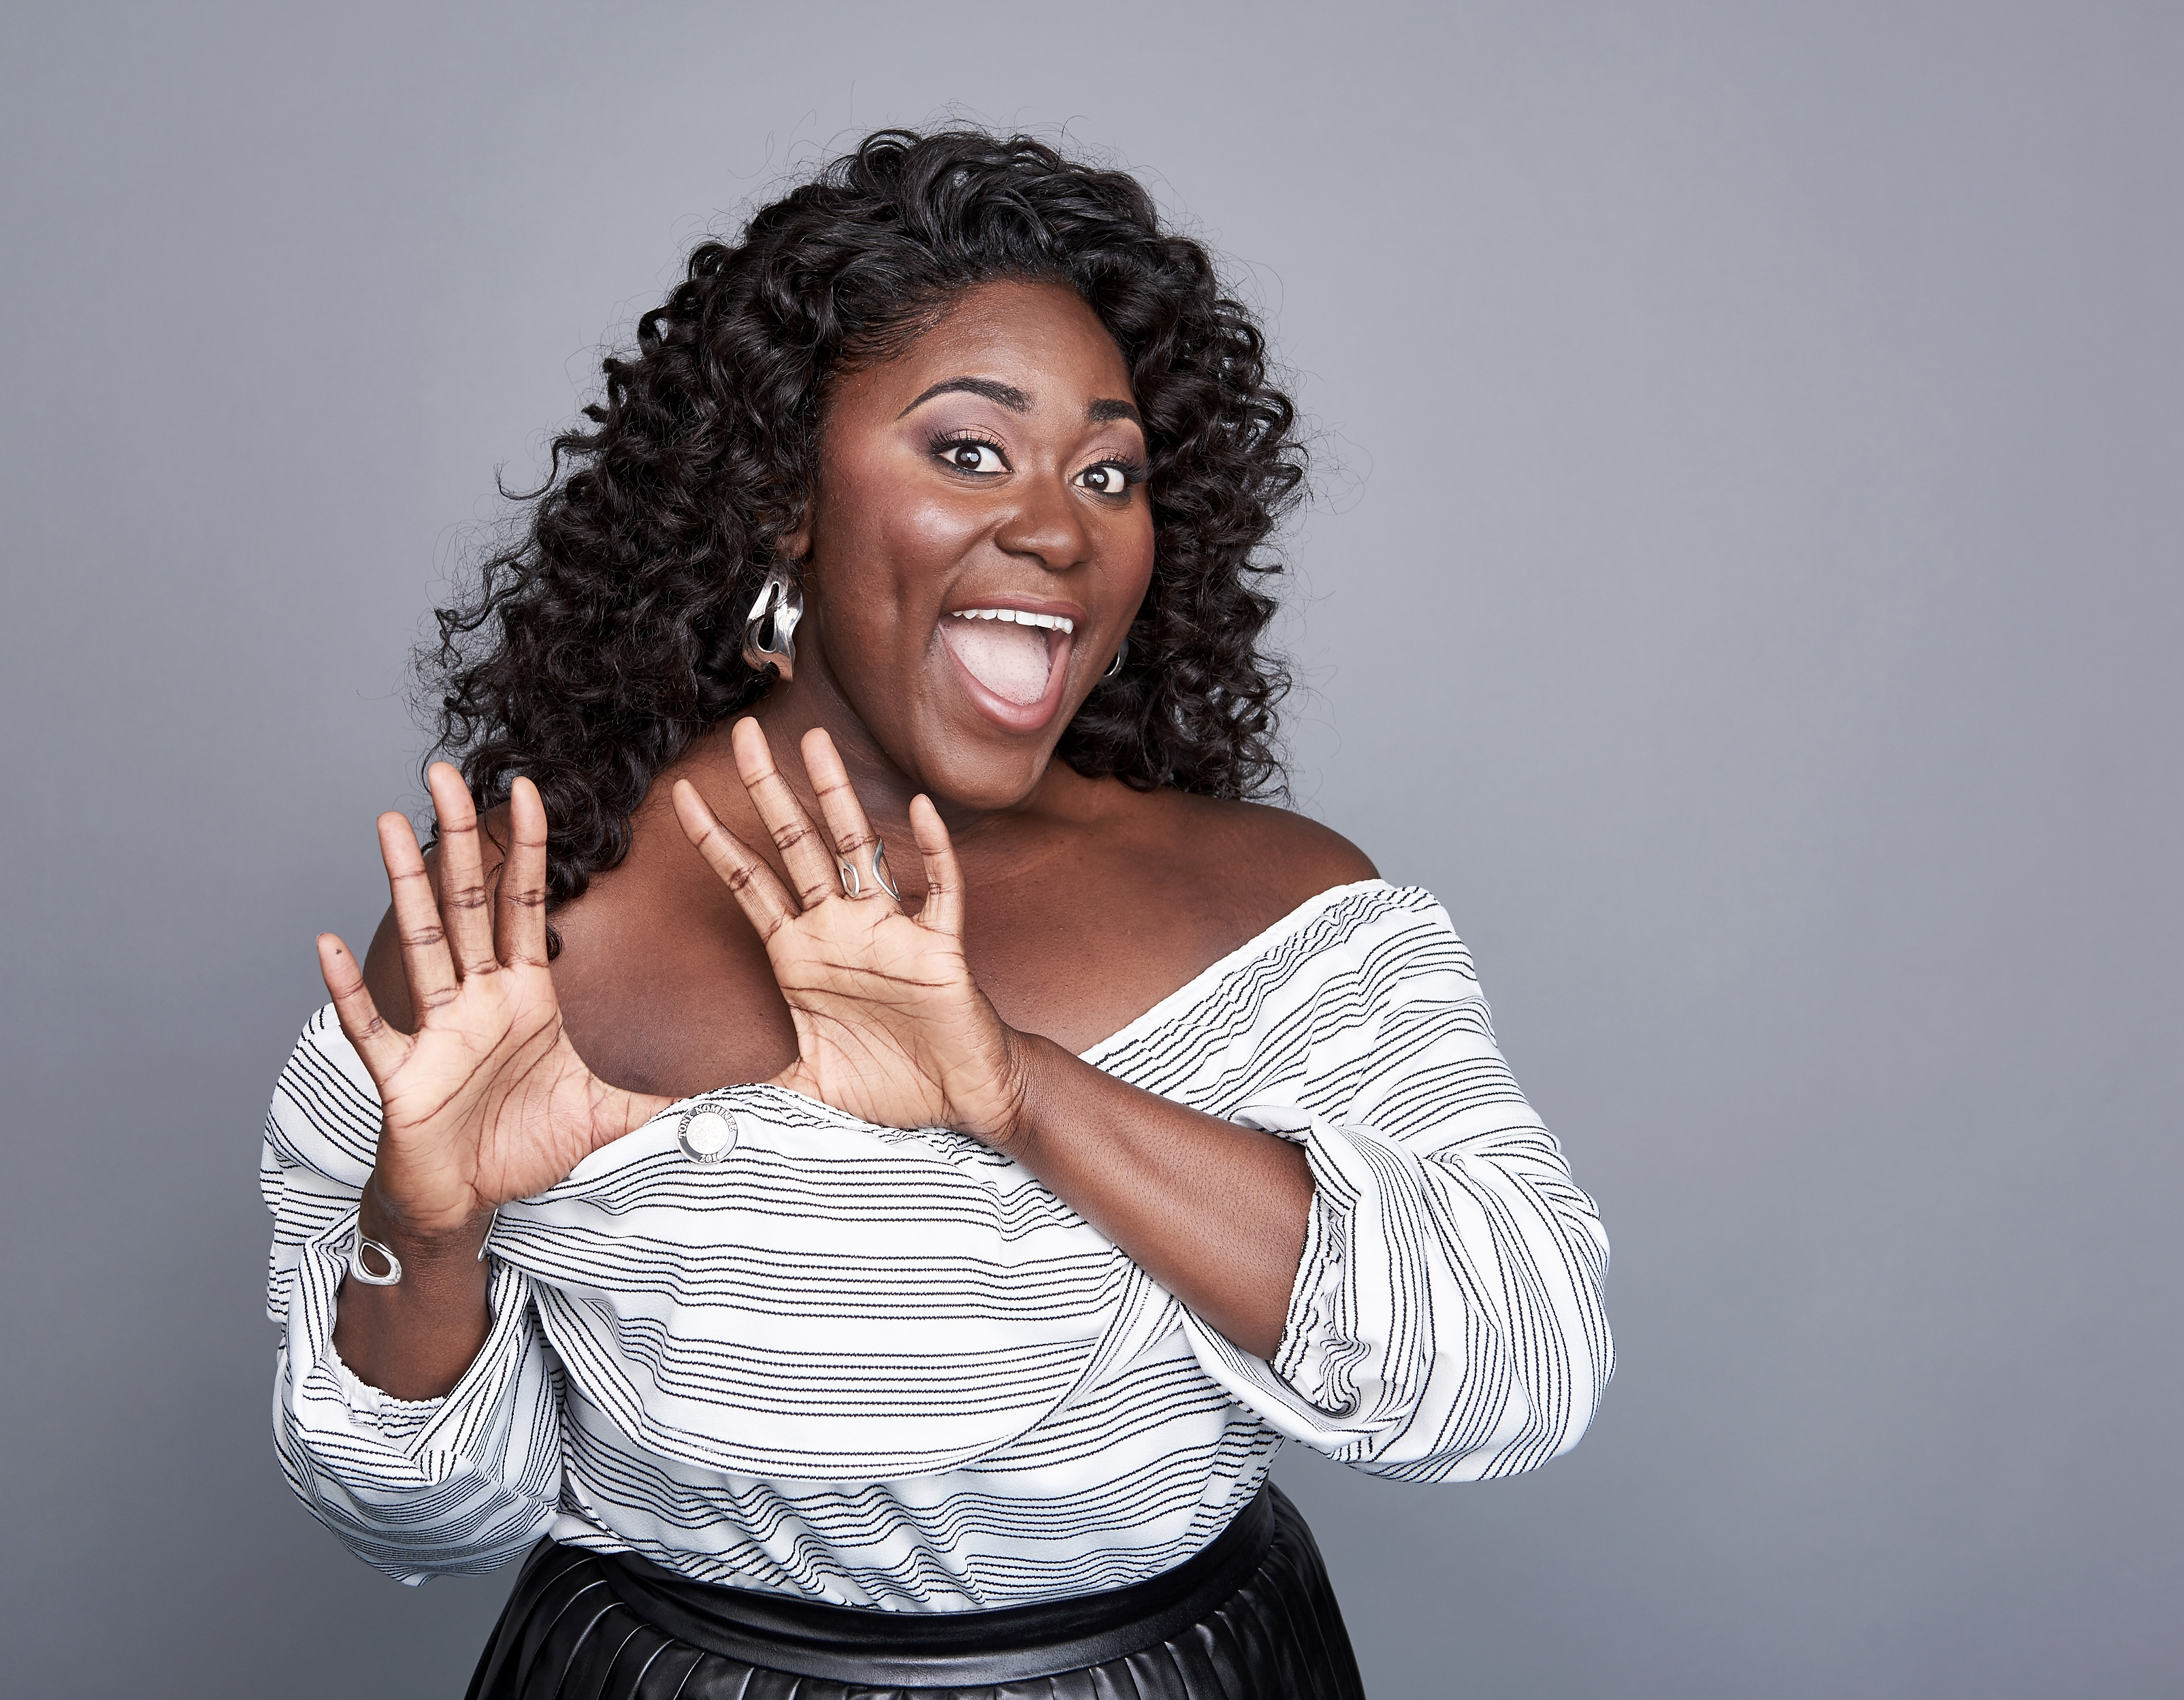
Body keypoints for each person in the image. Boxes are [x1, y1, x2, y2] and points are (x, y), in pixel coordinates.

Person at [263, 129, 1612, 1699]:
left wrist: (1014, 1088)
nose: (1058, 526)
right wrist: (421, 1233)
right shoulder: (521, 923)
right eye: (969, 451)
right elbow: (405, 1521)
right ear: (781, 499)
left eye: (1108, 472)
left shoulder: (1278, 908)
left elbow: (1520, 1377)